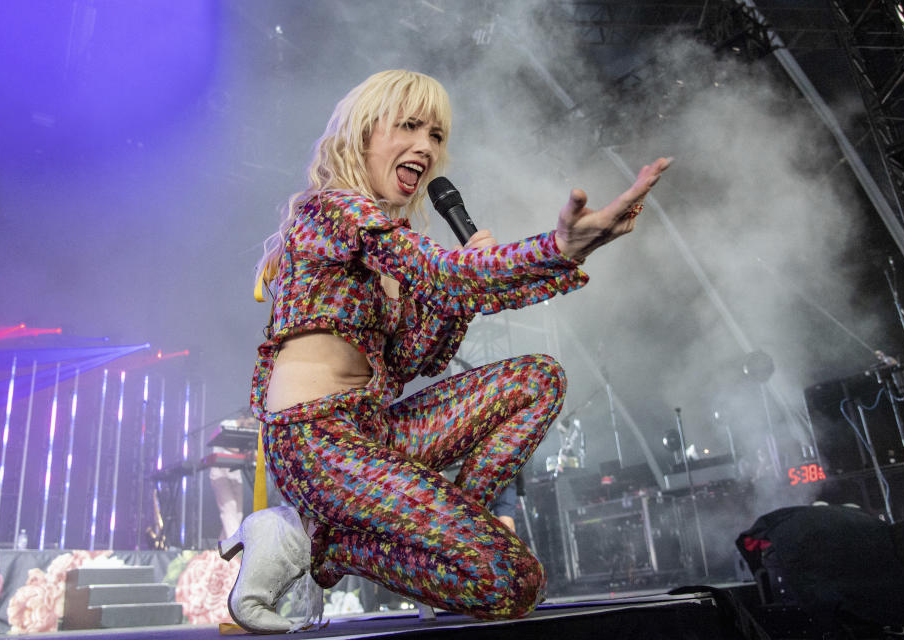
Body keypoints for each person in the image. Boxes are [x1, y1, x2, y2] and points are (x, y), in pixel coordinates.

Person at [219, 69, 670, 632]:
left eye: (435, 135)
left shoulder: (388, 243)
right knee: (513, 583)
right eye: (408, 127)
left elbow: (416, 362)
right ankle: (320, 546)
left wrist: (469, 286)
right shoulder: (333, 211)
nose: (426, 147)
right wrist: (557, 249)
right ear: (361, 135)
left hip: (374, 432)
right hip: (317, 441)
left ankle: (434, 535)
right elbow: (442, 275)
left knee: (539, 379)